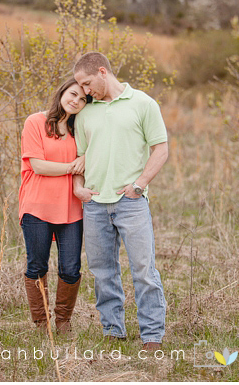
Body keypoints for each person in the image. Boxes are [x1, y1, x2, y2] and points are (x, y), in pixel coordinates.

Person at [72, 51, 168, 351]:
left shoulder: (143, 103)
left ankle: (152, 335)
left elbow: (161, 149)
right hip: (94, 204)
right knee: (103, 272)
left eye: (87, 83)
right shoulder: (85, 114)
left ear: (103, 72)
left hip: (131, 202)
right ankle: (113, 330)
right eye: (81, 86)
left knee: (144, 270)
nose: (84, 91)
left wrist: (139, 185)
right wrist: (79, 188)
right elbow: (79, 158)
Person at [19, 77, 89, 333]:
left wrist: (84, 164)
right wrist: (72, 166)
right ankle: (41, 323)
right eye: (73, 94)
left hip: (71, 208)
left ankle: (63, 321)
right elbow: (38, 165)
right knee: (37, 265)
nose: (76, 101)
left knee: (71, 267)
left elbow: (88, 160)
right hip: (37, 206)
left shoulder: (79, 130)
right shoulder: (35, 122)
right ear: (62, 92)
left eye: (83, 99)